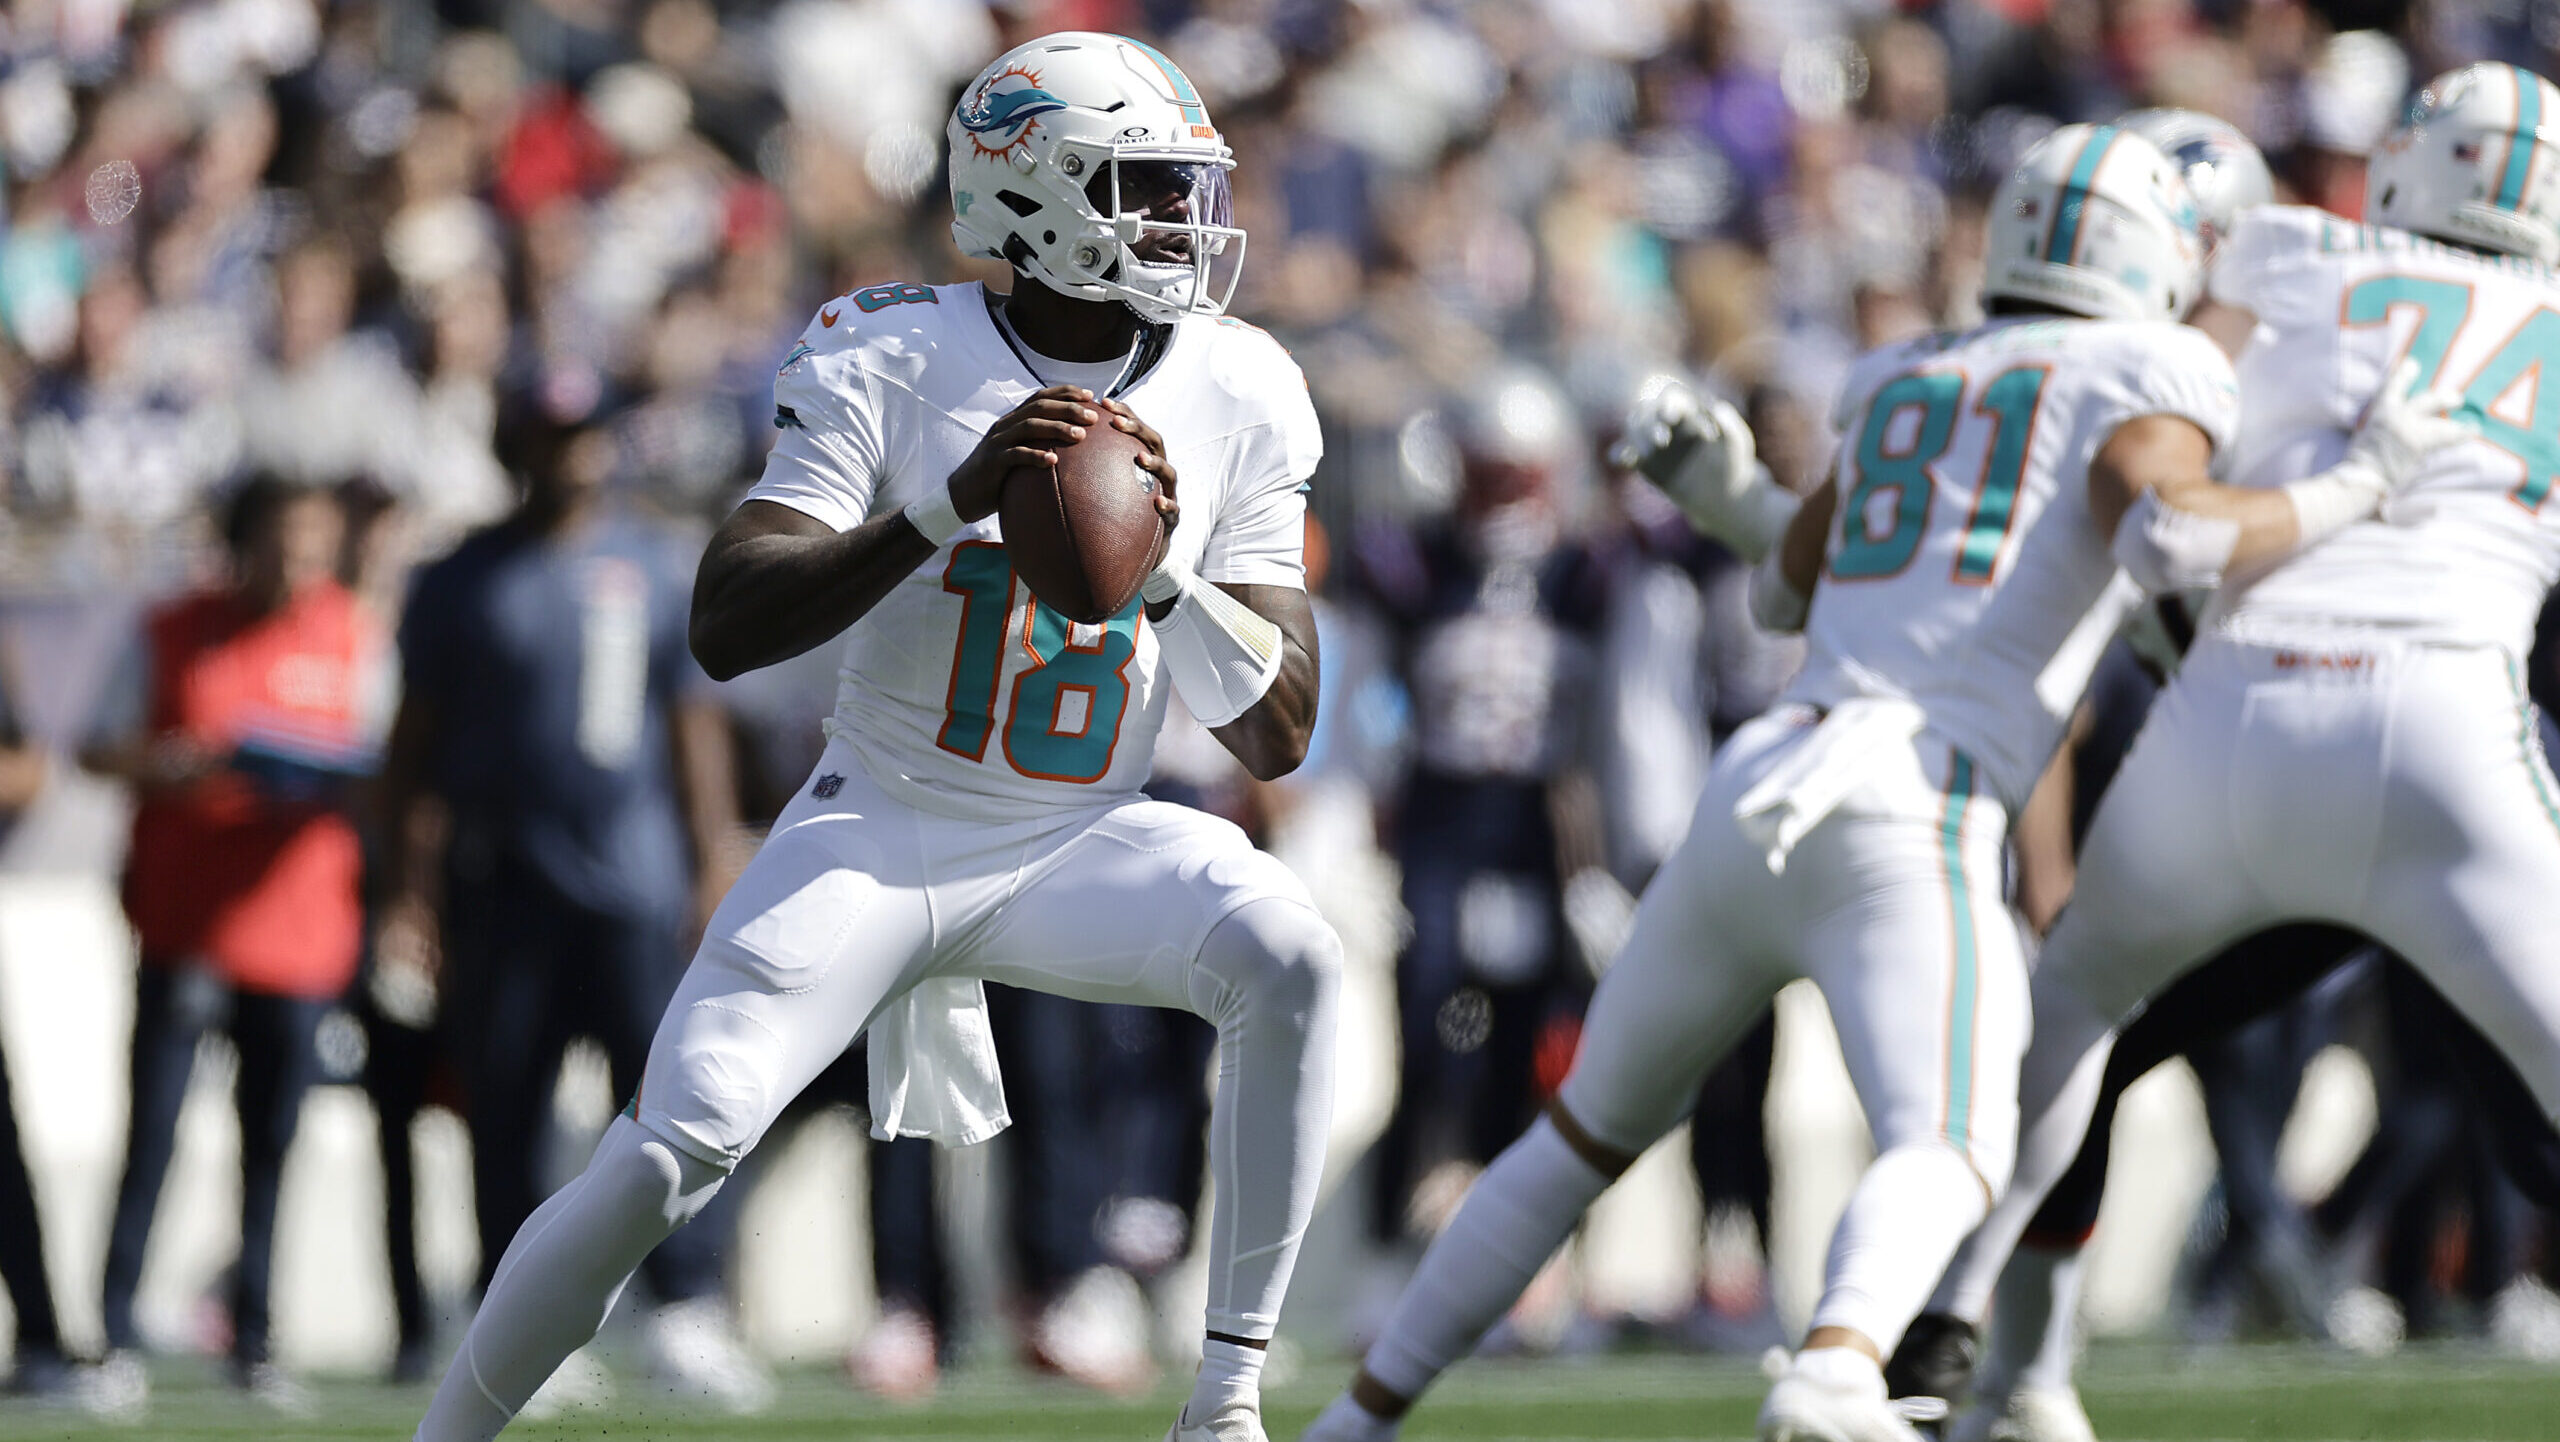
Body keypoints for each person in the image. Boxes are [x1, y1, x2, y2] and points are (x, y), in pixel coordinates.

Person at [1300, 122, 2458, 1442]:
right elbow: (2177, 527)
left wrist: (1734, 495)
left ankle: (1361, 1416)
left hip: (1765, 774)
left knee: (1574, 1140)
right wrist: (2364, 484)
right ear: (2147, 258)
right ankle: (1841, 1363)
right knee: (1956, 1141)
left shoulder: (1909, 373)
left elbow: (1795, 576)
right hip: (1918, 795)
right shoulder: (2150, 362)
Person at [412, 32, 1340, 1442]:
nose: (1182, 224)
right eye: (1145, 188)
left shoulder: (1242, 382)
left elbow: (1277, 727)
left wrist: (1159, 573)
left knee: (1293, 951)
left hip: (1079, 831)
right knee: (679, 1140)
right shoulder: (893, 350)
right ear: (1038, 199)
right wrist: (939, 506)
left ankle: (1225, 1402)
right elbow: (725, 619)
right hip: (886, 816)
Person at [1903, 63, 2560, 1442]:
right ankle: (2009, 1378)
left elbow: (2163, 495)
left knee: (2064, 1036)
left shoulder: (2288, 258)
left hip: (2240, 724)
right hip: (2455, 744)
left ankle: (1966, 1347)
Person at [377, 413, 765, 1412]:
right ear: (516, 448)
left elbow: (692, 715)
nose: (569, 458)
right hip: (503, 881)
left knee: (674, 1100)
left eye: (583, 435)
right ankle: (517, 1320)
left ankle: (685, 1305)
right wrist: (405, 888)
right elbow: (411, 745)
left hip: (633, 879)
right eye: (551, 438)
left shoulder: (651, 557)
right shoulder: (461, 577)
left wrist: (712, 850)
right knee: (506, 1107)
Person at [81, 475, 388, 1412]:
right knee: (155, 1137)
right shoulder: (173, 627)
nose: (297, 561)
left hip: (301, 933)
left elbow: (380, 763)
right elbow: (100, 746)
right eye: (281, 539)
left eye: (313, 542)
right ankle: (112, 1338)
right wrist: (167, 765)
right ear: (243, 542)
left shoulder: (357, 633)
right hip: (188, 926)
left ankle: (254, 1340)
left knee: (272, 1147)